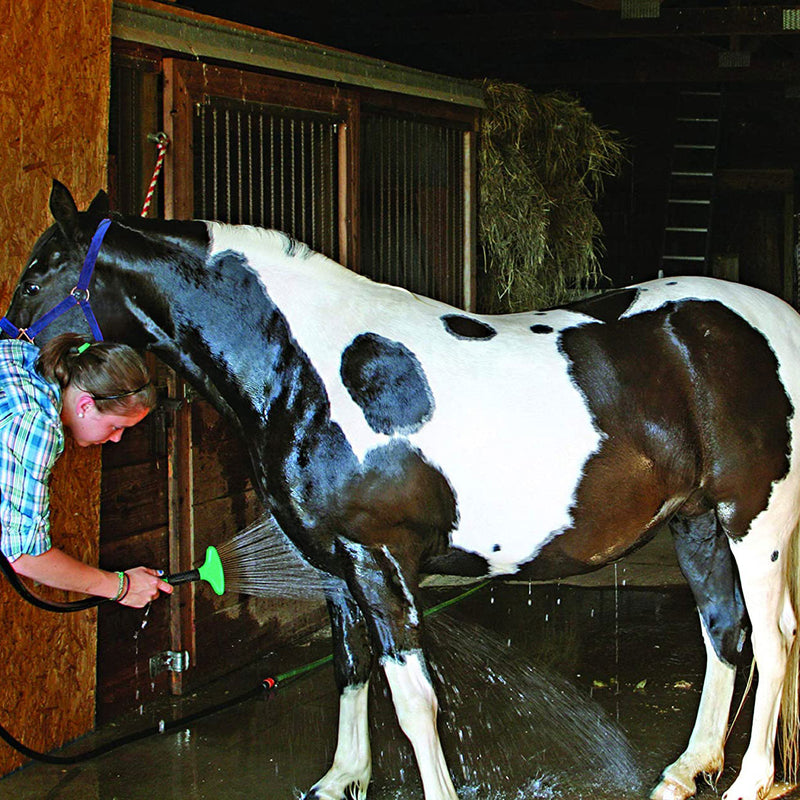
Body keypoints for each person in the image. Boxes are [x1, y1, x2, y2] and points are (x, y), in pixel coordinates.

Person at [0, 332, 172, 608]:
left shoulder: (22, 355)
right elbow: (23, 557)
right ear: (85, 405)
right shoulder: (36, 425)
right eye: (117, 426)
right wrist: (122, 587)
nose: (116, 439)